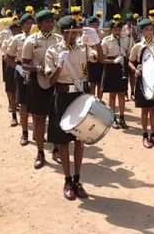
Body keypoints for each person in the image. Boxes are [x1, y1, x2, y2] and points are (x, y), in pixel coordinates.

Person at [45, 16, 104, 200]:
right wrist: (60, 65)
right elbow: (50, 81)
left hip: (80, 94)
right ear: (63, 33)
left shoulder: (83, 48)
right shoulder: (53, 51)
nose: (74, 35)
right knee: (63, 141)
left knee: (79, 139)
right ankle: (67, 180)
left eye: (76, 32)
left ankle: (77, 180)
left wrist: (97, 41)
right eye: (71, 32)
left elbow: (100, 59)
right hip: (63, 96)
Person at [22, 9, 62, 169]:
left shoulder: (59, 39)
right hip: (37, 83)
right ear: (39, 24)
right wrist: (36, 67)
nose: (50, 24)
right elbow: (24, 63)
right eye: (46, 21)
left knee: (57, 118)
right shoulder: (31, 41)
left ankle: (57, 150)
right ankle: (40, 152)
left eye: (52, 21)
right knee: (39, 119)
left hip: (56, 82)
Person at [128, 18, 154, 149]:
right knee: (145, 110)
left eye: (151, 29)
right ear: (141, 31)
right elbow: (130, 61)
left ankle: (153, 134)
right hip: (143, 80)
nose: (150, 32)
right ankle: (145, 135)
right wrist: (135, 70)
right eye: (147, 29)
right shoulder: (138, 46)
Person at [5, 13, 34, 146]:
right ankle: (24, 132)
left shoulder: (37, 38)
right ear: (22, 26)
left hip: (35, 70)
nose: (30, 26)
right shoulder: (17, 39)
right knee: (23, 104)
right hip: (22, 70)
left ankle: (37, 132)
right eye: (27, 23)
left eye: (31, 23)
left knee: (37, 103)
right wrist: (18, 68)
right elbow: (8, 57)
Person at [101, 15, 130, 129]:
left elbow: (130, 55)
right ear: (111, 30)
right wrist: (113, 61)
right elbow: (102, 58)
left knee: (122, 94)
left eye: (119, 29)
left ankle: (122, 117)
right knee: (112, 95)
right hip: (111, 67)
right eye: (115, 29)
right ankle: (113, 118)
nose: (117, 31)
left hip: (122, 67)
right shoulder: (106, 41)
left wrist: (125, 55)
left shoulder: (126, 39)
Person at [2, 22, 22, 126]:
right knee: (12, 92)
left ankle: (24, 117)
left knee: (24, 94)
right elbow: (5, 55)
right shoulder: (7, 41)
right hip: (11, 65)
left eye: (18, 29)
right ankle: (14, 116)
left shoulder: (25, 39)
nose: (16, 31)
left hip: (21, 65)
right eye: (14, 30)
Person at [81, 16, 105, 99]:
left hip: (101, 59)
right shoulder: (85, 34)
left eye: (96, 24)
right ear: (89, 25)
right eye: (93, 25)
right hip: (91, 60)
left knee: (100, 83)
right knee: (92, 83)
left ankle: (99, 101)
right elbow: (83, 46)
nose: (95, 26)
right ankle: (91, 100)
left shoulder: (101, 32)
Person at [122, 13, 141, 100]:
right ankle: (125, 92)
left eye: (132, 21)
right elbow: (121, 44)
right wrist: (124, 55)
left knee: (133, 75)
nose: (131, 23)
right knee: (125, 76)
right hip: (125, 55)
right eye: (129, 21)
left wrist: (135, 33)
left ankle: (132, 92)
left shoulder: (136, 29)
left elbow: (138, 40)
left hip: (134, 55)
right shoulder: (123, 29)